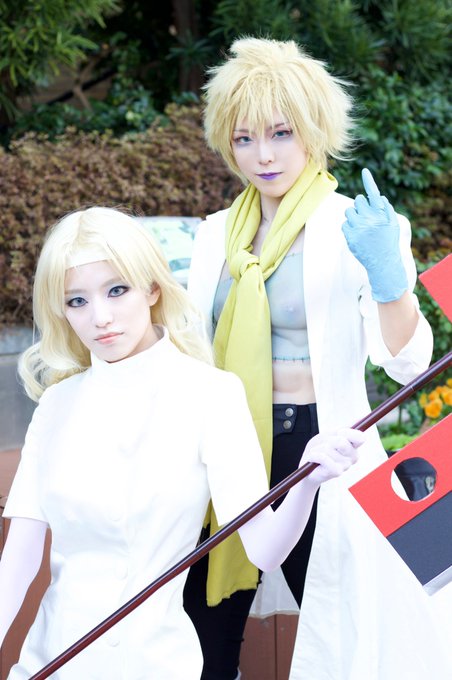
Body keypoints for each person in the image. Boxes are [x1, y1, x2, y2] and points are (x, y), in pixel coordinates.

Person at [0, 206, 364, 679]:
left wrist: (306, 480)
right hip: (49, 663)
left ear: (152, 288)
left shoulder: (211, 394)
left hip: (156, 665)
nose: (100, 317)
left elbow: (265, 551)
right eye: (77, 301)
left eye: (117, 290)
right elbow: (20, 558)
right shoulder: (56, 404)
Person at [184, 37, 451, 680]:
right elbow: (190, 347)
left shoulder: (357, 225)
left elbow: (409, 363)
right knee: (203, 626)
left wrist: (389, 278)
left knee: (350, 628)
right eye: (245, 138)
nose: (264, 155)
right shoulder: (213, 235)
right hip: (226, 445)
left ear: (314, 130)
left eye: (281, 133)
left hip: (323, 447)